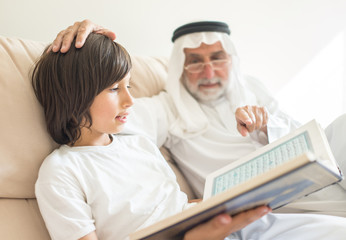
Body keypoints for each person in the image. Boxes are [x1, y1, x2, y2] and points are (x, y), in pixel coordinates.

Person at [51, 20, 346, 215]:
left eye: (217, 58)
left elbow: (311, 141)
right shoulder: (166, 107)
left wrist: (269, 125)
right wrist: (83, 49)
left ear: (230, 59)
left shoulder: (252, 87)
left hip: (319, 174)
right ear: (180, 67)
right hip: (276, 206)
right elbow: (97, 119)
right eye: (195, 63)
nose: (208, 73)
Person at [32, 32, 272, 240]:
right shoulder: (61, 171)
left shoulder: (138, 142)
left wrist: (234, 201)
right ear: (72, 98)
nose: (130, 100)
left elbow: (175, 209)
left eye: (129, 86)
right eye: (115, 89)